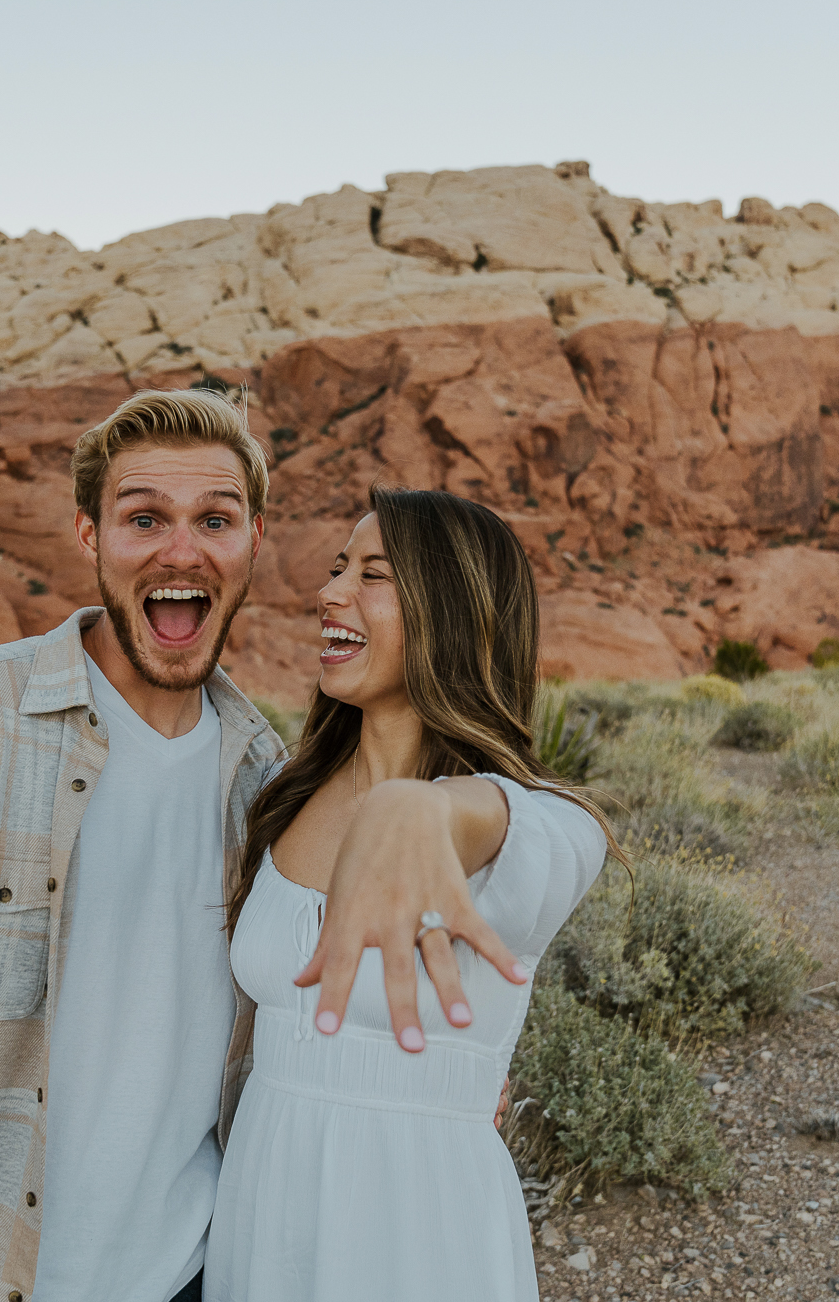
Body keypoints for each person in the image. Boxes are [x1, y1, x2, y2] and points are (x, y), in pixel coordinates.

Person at [0, 389, 529, 1302]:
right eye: (144, 517)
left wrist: (451, 1080)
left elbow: (297, 1009)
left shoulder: (271, 783)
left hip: (200, 1274)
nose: (182, 549)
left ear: (254, 539)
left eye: (214, 518)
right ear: (89, 534)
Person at [205, 486, 615, 1302]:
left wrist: (421, 807)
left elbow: (558, 833)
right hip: (261, 1213)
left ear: (452, 612)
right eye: (335, 569)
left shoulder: (520, 826)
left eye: (374, 575)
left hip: (417, 1231)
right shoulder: (282, 793)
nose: (330, 593)